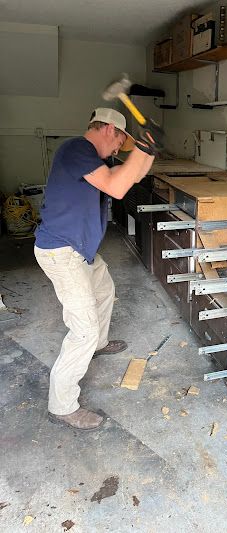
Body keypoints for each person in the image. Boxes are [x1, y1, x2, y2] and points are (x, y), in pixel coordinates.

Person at [34, 107, 162, 430]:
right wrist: (142, 148)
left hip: (79, 251)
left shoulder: (97, 160)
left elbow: (134, 176)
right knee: (83, 329)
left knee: (104, 290)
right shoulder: (77, 149)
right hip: (61, 252)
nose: (120, 149)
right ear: (108, 129)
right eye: (121, 140)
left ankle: (99, 345)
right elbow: (118, 188)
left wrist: (150, 151)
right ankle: (61, 405)